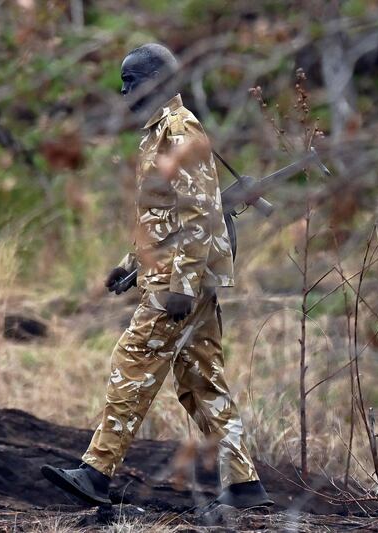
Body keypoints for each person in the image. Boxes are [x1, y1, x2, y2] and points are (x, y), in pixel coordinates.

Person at [41, 43, 272, 509]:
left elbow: (201, 215)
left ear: (156, 82)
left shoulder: (179, 130)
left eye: (131, 80)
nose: (122, 90)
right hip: (174, 276)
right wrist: (130, 265)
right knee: (202, 383)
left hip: (177, 285)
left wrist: (181, 288)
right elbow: (162, 217)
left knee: (132, 363)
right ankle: (245, 486)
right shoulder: (157, 132)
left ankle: (96, 473)